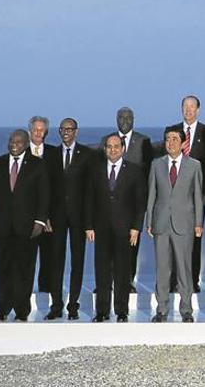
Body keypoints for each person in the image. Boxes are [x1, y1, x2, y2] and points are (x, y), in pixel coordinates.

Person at [0, 129, 49, 322]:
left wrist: (40, 221)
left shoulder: (38, 165)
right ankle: (2, 309)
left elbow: (44, 196)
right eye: (11, 140)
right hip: (3, 227)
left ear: (27, 144)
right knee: (4, 269)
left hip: (28, 228)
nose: (14, 144)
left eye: (18, 141)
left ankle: (21, 311)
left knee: (25, 270)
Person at [84, 134, 146, 323]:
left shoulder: (135, 171)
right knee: (102, 270)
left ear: (123, 148)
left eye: (116, 146)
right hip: (101, 228)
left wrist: (136, 227)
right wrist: (88, 226)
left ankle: (121, 311)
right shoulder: (95, 170)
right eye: (109, 146)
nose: (113, 150)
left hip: (125, 229)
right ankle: (102, 311)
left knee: (122, 271)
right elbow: (89, 200)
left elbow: (140, 203)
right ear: (105, 149)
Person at [145, 127, 204, 323]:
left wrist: (198, 223)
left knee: (184, 268)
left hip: (184, 224)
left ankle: (186, 309)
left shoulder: (194, 165)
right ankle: (161, 309)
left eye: (174, 139)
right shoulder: (156, 164)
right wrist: (149, 222)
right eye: (167, 139)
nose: (171, 142)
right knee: (162, 269)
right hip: (161, 223)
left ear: (183, 142)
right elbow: (152, 195)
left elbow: (197, 196)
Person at [167, 95, 205, 293]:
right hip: (173, 195)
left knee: (194, 239)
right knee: (173, 238)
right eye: (185, 107)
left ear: (198, 110)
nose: (188, 110)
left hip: (197, 196)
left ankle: (191, 280)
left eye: (192, 107)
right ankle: (173, 280)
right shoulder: (172, 130)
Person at [43, 118, 91, 320]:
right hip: (55, 217)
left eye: (70, 129)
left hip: (79, 217)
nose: (66, 132)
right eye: (63, 129)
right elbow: (44, 188)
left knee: (77, 261)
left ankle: (73, 304)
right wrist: (44, 216)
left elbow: (90, 191)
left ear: (76, 132)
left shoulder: (87, 155)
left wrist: (89, 222)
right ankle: (56, 305)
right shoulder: (50, 154)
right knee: (56, 262)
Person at [115, 106, 154, 292]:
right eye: (121, 117)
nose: (124, 120)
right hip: (111, 203)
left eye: (128, 117)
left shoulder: (143, 141)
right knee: (110, 246)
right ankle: (108, 281)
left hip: (134, 203)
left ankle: (128, 281)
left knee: (131, 245)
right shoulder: (107, 141)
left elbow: (149, 171)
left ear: (134, 119)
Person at [27, 116, 54, 293]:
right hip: (26, 215)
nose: (38, 133)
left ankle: (46, 291)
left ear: (46, 132)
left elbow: (57, 186)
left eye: (41, 130)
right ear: (30, 131)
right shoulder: (21, 152)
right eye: (35, 129)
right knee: (26, 257)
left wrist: (47, 217)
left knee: (49, 257)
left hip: (50, 217)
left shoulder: (54, 153)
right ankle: (25, 290)